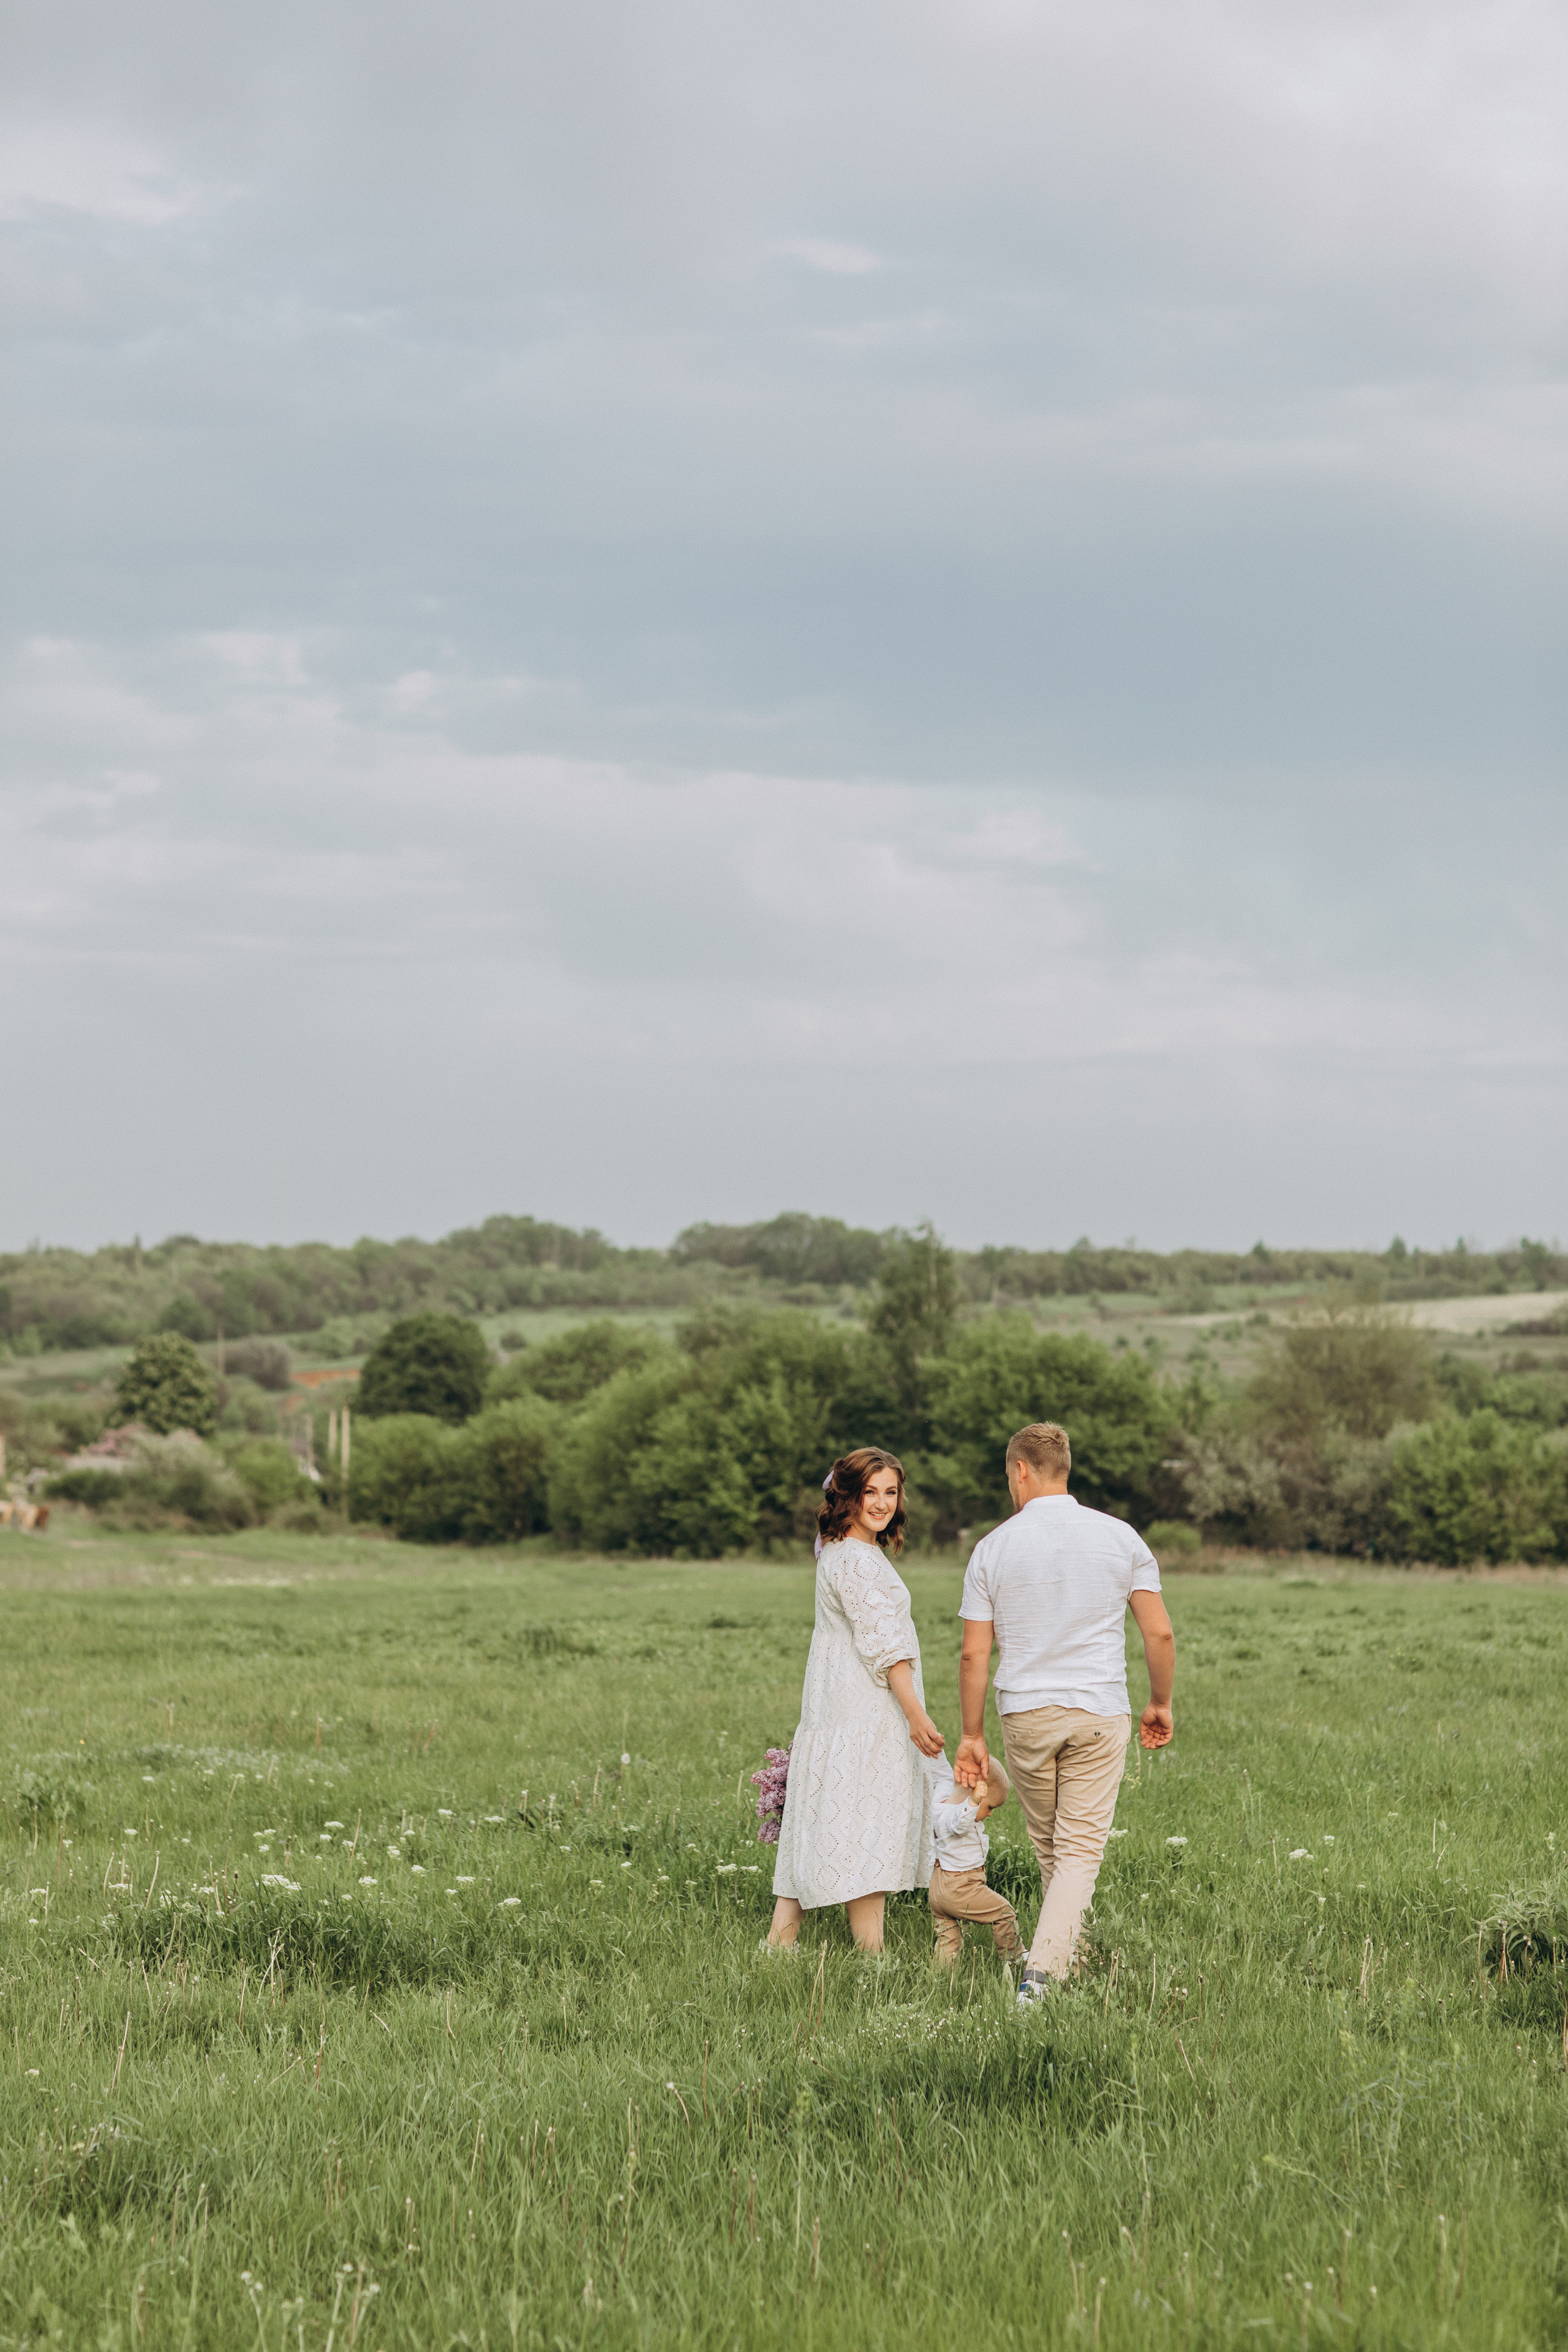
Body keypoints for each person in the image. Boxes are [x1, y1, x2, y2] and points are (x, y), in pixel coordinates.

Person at [954, 1420, 1175, 2007]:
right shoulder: (1121, 1537)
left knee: (1052, 1845)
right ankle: (1042, 1980)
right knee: (1077, 1849)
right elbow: (1160, 1632)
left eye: (1009, 1477)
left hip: (1025, 1713)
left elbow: (975, 1651)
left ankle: (1059, 1961)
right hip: (1098, 1711)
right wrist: (1160, 1703)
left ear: (1021, 1470)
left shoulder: (993, 1547)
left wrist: (972, 1734)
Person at [767, 1449, 943, 1954]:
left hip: (838, 1708)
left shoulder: (843, 1551)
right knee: (865, 1822)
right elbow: (885, 1646)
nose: (883, 1503)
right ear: (847, 1495)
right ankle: (873, 1957)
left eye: (891, 1492)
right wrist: (915, 1714)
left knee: (825, 1818)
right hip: (865, 1709)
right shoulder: (857, 1562)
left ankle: (780, 1947)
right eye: (871, 1492)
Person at [926, 1755, 1023, 1969]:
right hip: (960, 1886)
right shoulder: (957, 1815)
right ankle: (1014, 1959)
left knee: (948, 1937)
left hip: (938, 1887)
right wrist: (973, 1803)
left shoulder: (941, 1799)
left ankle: (940, 1976)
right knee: (1003, 1912)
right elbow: (959, 1823)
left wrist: (936, 1753)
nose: (989, 1813)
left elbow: (943, 1774)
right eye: (989, 1807)